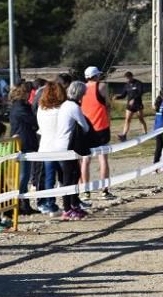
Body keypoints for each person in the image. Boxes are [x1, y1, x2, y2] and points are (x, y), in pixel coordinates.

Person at [57, 81, 92, 220]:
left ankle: (73, 204)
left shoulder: (65, 105)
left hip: (64, 144)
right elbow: (85, 127)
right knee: (69, 177)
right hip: (67, 146)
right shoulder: (73, 107)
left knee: (75, 174)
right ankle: (67, 209)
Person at [80, 66, 114, 200]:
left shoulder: (81, 88)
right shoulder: (102, 87)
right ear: (96, 76)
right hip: (101, 128)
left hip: (86, 129)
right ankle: (104, 190)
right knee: (103, 159)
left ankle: (86, 191)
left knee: (85, 160)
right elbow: (108, 105)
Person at [36, 80, 68, 216]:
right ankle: (69, 203)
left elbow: (40, 129)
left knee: (49, 178)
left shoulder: (41, 108)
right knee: (66, 177)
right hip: (61, 147)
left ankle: (50, 204)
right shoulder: (63, 108)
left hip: (46, 146)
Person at [8, 84, 39, 215]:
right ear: (23, 93)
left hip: (24, 141)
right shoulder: (20, 108)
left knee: (25, 176)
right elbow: (33, 120)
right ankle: (20, 203)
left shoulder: (20, 106)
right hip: (23, 143)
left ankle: (24, 203)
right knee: (23, 176)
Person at [115, 71, 147, 140]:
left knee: (141, 119)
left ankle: (145, 133)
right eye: (126, 78)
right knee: (127, 120)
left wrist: (134, 99)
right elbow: (124, 95)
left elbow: (141, 93)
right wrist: (117, 97)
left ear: (131, 76)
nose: (128, 80)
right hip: (130, 105)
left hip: (138, 104)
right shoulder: (127, 85)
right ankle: (124, 135)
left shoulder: (138, 83)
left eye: (128, 78)